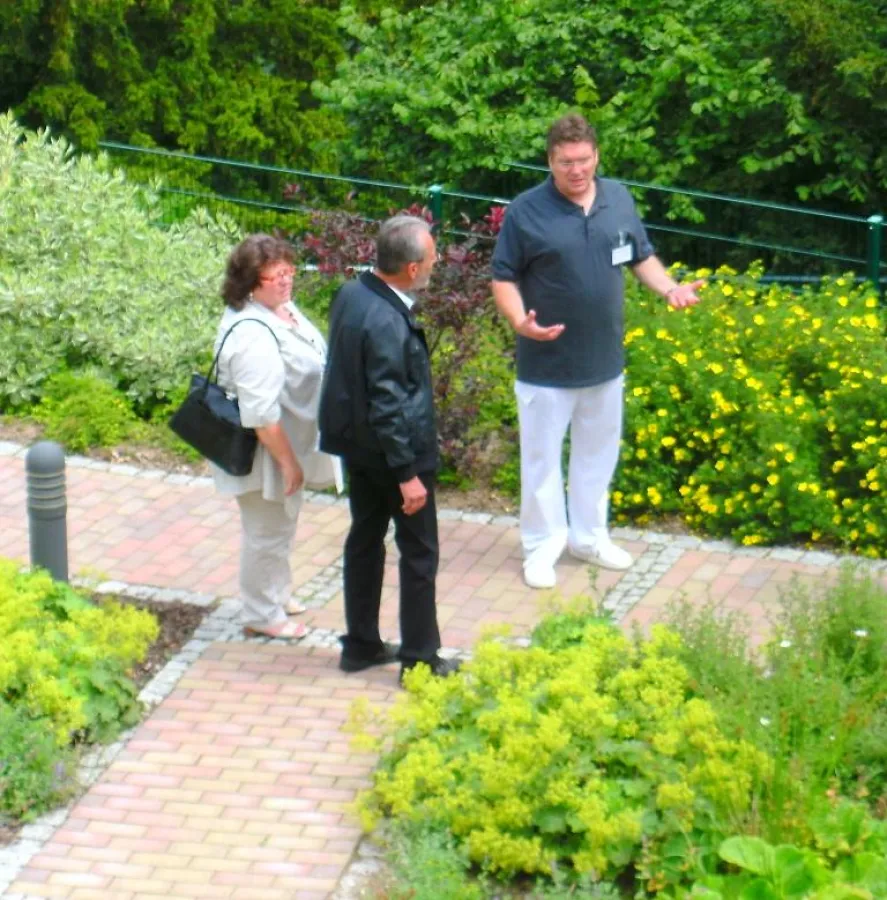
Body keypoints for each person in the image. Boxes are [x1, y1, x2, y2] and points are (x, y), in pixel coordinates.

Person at [491, 113, 703, 590]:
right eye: (566, 162)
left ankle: (588, 538)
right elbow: (503, 277)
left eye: (584, 160)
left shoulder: (617, 199)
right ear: (550, 161)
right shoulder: (526, 211)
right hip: (545, 364)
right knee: (542, 461)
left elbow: (639, 256)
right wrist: (518, 321)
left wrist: (670, 289)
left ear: (596, 156)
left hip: (605, 361)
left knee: (597, 455)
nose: (576, 170)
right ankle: (542, 547)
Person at [318, 215, 459, 681]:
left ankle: (360, 645)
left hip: (358, 449)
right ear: (413, 268)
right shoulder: (387, 321)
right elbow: (388, 402)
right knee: (419, 553)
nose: (437, 262)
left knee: (365, 539)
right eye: (433, 257)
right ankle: (420, 659)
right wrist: (407, 473)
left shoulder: (354, 294)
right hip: (395, 454)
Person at [213, 233, 341, 638]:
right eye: (276, 276)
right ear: (251, 282)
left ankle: (277, 592)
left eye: (289, 271)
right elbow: (261, 415)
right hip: (264, 450)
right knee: (265, 531)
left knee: (281, 524)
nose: (287, 281)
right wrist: (289, 463)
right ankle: (261, 614)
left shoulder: (282, 310)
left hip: (289, 439)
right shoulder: (252, 333)